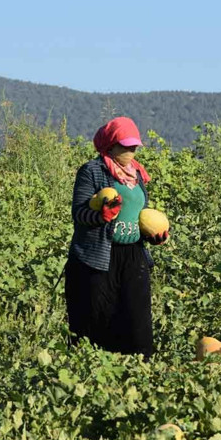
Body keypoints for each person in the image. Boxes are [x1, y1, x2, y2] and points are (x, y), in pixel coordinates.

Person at [64, 117, 168, 360]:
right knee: (96, 317)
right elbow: (79, 213)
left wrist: (152, 235)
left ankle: (137, 373)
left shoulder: (137, 175)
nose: (131, 151)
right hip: (99, 256)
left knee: (137, 319)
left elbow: (138, 215)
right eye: (125, 146)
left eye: (134, 146)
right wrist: (101, 215)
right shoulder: (91, 171)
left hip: (133, 255)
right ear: (110, 146)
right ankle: (90, 371)